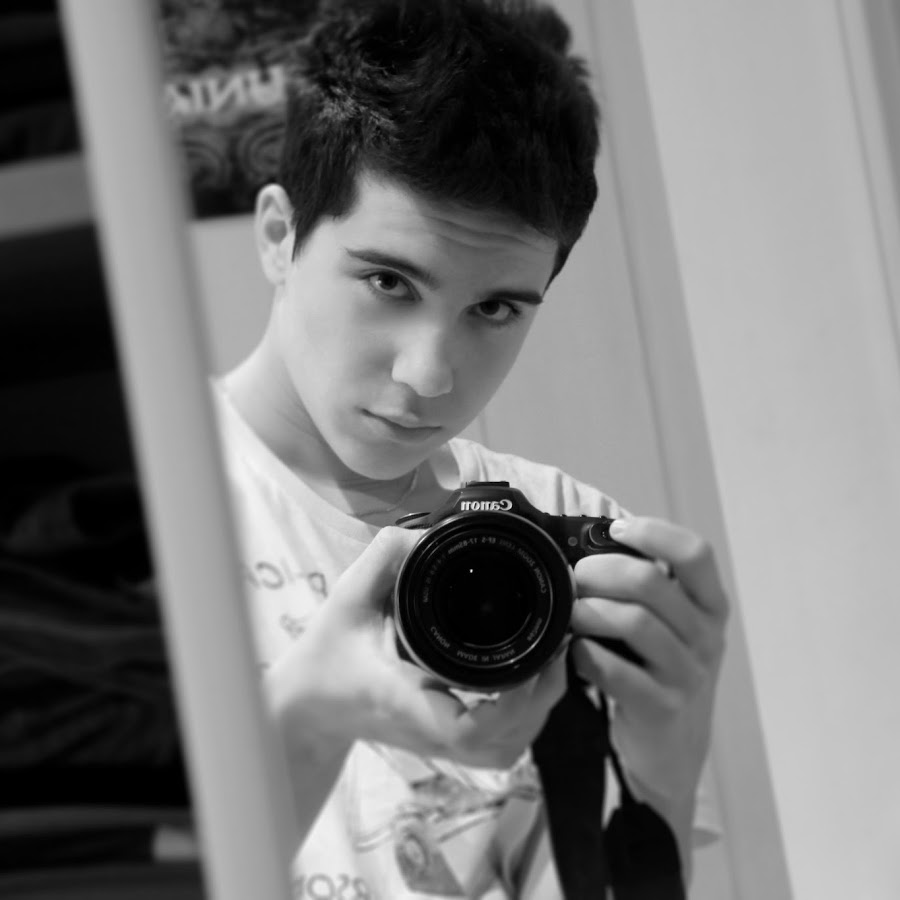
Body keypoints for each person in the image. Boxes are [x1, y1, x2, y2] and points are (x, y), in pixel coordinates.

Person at [213, 0, 729, 896]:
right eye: (388, 281)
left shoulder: (568, 538)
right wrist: (311, 718)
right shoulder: (154, 520)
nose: (429, 375)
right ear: (278, 236)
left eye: (493, 308)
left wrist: (662, 779)